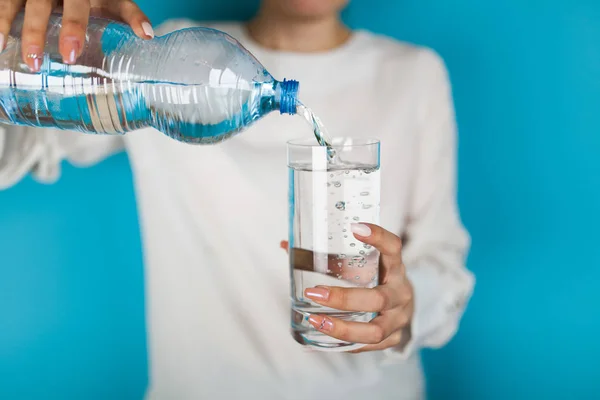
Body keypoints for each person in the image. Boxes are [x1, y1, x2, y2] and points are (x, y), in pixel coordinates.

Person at [0, 0, 475, 399]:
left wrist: (405, 304)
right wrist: (26, 38)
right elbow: (16, 151)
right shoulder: (164, 60)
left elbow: (443, 265)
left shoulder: (413, 75)